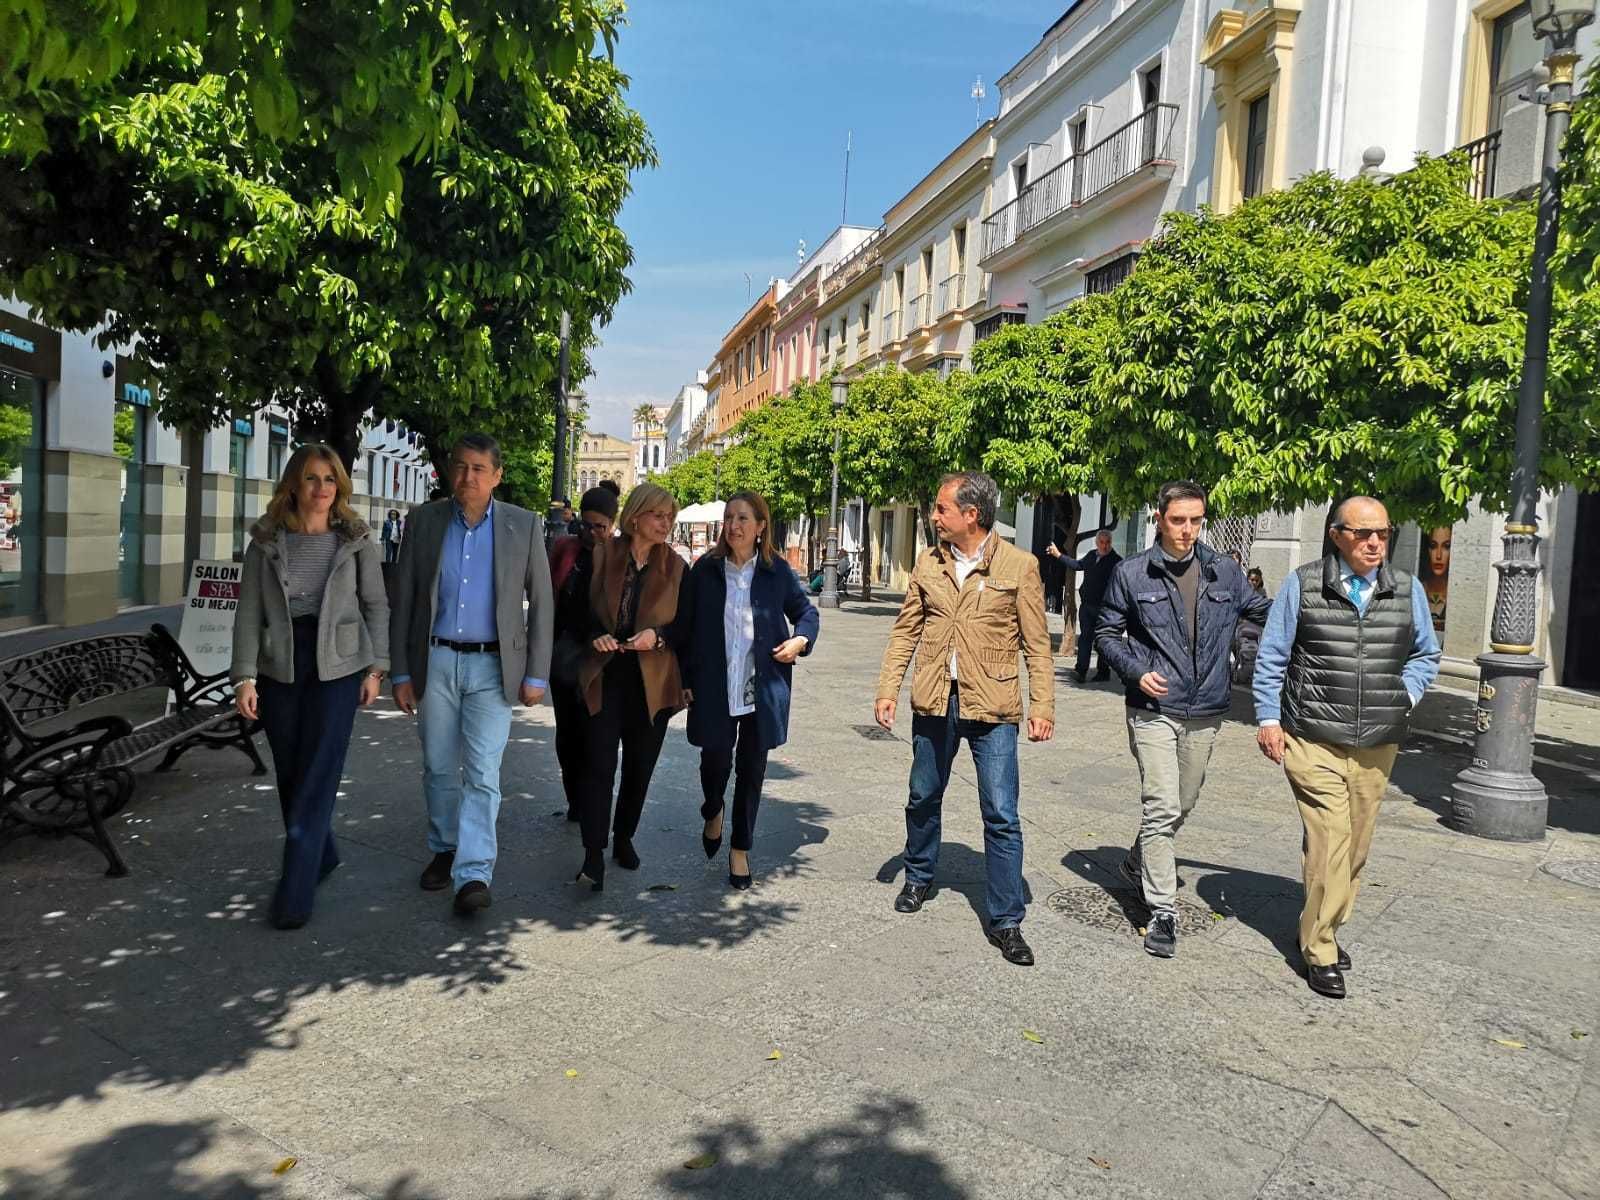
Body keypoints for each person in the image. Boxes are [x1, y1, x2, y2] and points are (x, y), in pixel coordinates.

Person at [1253, 496, 1440, 999]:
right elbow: (1272, 655)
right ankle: (1320, 948)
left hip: (1378, 741)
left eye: (1382, 532)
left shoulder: (1407, 590)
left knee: (1354, 847)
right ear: (1337, 535)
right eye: (1362, 533)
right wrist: (1269, 718)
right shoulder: (1304, 584)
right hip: (1312, 735)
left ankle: (1325, 922)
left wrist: (1406, 694)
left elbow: (1426, 652)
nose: (1375, 542)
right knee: (1331, 838)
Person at [875, 472, 1055, 966]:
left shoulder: (1020, 566)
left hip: (993, 705)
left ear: (970, 515)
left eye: (940, 509)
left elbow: (1037, 647)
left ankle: (1006, 920)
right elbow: (904, 632)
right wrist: (889, 689)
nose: (934, 517)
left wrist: (1042, 705)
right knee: (922, 794)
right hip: (934, 700)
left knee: (1001, 813)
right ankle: (918, 875)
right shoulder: (927, 565)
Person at [1095, 481, 1271, 959]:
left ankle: (1136, 862)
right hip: (1153, 708)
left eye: (1196, 520)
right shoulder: (1132, 574)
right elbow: (1105, 633)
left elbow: (1264, 615)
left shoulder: (1225, 573)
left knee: (1183, 802)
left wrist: (1262, 643)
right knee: (1161, 804)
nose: (1188, 530)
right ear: (1159, 518)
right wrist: (1135, 671)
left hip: (1207, 708)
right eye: (1178, 520)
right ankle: (1162, 910)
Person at [389, 434, 554, 915]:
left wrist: (536, 675)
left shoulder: (523, 526)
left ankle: (474, 872)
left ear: (497, 475)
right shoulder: (425, 522)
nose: (468, 478)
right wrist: (401, 671)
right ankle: (444, 845)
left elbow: (542, 603)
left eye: (480, 469)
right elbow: (407, 600)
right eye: (461, 467)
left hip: (493, 665)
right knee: (439, 766)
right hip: (436, 660)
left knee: (483, 771)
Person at [232, 444, 389, 930]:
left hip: (338, 663)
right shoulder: (265, 541)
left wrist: (376, 668)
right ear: (293, 485)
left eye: (329, 479)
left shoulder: (356, 539)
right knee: (292, 768)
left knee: (320, 768)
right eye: (311, 479)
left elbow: (376, 605)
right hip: (281, 661)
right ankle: (321, 854)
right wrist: (243, 676)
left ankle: (295, 888)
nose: (321, 489)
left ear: (339, 485)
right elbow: (248, 612)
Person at [682, 492, 820, 889]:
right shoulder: (706, 570)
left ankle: (740, 848)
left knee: (752, 769)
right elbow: (685, 627)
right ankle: (713, 809)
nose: (734, 525)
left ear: (761, 526)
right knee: (715, 762)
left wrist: (801, 640)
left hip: (762, 686)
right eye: (729, 518)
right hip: (714, 685)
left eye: (743, 518)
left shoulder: (777, 573)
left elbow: (806, 613)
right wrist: (684, 679)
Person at [575, 482, 692, 891]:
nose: (665, 523)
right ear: (637, 516)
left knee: (639, 769)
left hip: (651, 683)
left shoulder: (677, 567)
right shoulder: (604, 555)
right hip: (606, 674)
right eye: (659, 515)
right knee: (599, 767)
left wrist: (658, 637)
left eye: (670, 517)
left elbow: (686, 628)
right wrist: (596, 635)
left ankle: (623, 836)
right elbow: (578, 612)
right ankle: (593, 853)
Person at [547, 486, 620, 822]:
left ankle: (591, 803)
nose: (592, 533)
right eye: (586, 525)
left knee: (595, 738)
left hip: (603, 665)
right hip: (564, 657)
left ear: (613, 523)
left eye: (600, 527)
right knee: (567, 736)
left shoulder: (620, 557)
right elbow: (549, 599)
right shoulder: (566, 550)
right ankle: (575, 798)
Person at [1046, 529, 1122, 683]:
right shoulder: (1091, 556)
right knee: (1085, 639)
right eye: (1102, 542)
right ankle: (1081, 670)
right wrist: (1058, 555)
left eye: (1108, 542)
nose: (1105, 545)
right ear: (1096, 542)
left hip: (1105, 609)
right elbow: (1077, 565)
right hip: (1087, 605)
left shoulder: (1116, 561)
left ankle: (1103, 671)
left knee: (1103, 641)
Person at [1418, 526, 1451, 634]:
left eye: (1446, 546)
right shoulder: (1417, 590)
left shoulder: (1456, 595)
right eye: (1433, 546)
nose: (1438, 555)